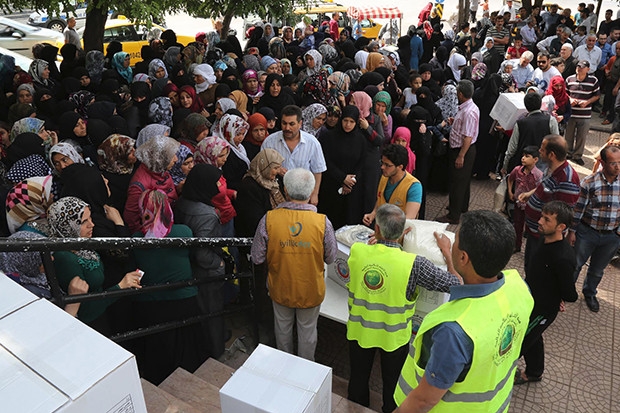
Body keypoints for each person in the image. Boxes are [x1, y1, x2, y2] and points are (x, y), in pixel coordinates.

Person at [393, 210, 534, 412]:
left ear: (464, 257)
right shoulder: (519, 287)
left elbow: (424, 400)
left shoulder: (452, 331)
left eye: (455, 240)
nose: (452, 242)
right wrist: (450, 258)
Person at [347, 204, 461, 413]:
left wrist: (381, 239)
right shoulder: (414, 264)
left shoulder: (357, 250)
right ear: (401, 233)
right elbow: (456, 283)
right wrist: (447, 253)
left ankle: (355, 407)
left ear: (377, 230)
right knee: (392, 384)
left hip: (360, 331)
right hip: (394, 337)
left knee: (358, 378)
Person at [251, 168, 337, 361]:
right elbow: (331, 258)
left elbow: (256, 257)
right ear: (311, 191)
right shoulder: (323, 223)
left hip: (280, 286)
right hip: (310, 289)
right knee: (308, 332)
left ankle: (284, 366)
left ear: (286, 191)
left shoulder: (269, 219)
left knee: (282, 329)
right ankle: (306, 370)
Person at [48, 196, 142, 332]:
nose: (91, 224)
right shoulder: (65, 257)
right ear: (67, 226)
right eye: (83, 221)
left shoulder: (82, 245)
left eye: (90, 218)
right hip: (89, 326)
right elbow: (84, 309)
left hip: (101, 318)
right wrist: (120, 286)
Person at [516, 201, 577, 384]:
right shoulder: (544, 239)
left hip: (541, 309)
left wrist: (558, 297)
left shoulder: (563, 257)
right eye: (542, 216)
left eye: (547, 219)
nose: (540, 221)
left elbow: (570, 294)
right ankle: (535, 372)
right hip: (530, 300)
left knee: (520, 340)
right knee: (534, 337)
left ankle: (507, 374)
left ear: (561, 227)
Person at [174, 164, 228, 358]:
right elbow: (203, 253)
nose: (219, 184)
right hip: (206, 272)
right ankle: (216, 350)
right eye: (215, 181)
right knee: (212, 312)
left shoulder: (182, 202)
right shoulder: (207, 214)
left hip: (189, 268)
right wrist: (219, 264)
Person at [568, 145, 620, 312]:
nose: (617, 167)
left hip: (611, 237)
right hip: (587, 233)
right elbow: (578, 209)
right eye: (613, 163)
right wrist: (572, 231)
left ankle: (589, 292)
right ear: (603, 163)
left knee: (597, 270)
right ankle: (567, 291)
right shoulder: (589, 183)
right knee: (576, 264)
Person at [521, 135, 580, 268]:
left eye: (542, 150)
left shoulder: (567, 179)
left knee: (535, 271)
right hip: (535, 232)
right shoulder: (551, 168)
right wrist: (530, 194)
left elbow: (563, 214)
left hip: (544, 238)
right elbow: (545, 187)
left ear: (551, 154)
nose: (540, 152)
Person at [261, 105, 327, 206]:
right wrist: (276, 170)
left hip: (303, 197)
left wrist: (315, 194)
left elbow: (317, 171)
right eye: (284, 123)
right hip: (276, 195)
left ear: (300, 123)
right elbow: (261, 167)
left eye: (291, 124)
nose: (287, 128)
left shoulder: (312, 143)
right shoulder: (270, 142)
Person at [437, 80, 479, 225]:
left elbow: (468, 137)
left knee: (457, 182)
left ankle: (453, 215)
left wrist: (461, 155)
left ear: (460, 94)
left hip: (462, 150)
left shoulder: (468, 112)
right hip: (462, 148)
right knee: (463, 180)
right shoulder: (468, 108)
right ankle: (461, 206)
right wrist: (455, 122)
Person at [363, 144, 422, 226]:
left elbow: (409, 219)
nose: (382, 167)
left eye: (387, 165)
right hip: (381, 228)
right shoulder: (384, 177)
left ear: (400, 167)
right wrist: (373, 213)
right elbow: (380, 199)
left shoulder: (414, 186)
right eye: (382, 163)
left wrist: (387, 236)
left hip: (399, 233)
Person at [502, 92, 559, 174]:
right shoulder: (551, 120)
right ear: (540, 104)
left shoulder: (520, 123)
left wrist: (505, 166)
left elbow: (512, 149)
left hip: (523, 166)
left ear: (526, 106)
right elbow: (556, 144)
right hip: (543, 165)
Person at [507, 146, 543, 253]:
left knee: (532, 228)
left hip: (531, 205)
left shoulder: (538, 175)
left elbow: (540, 188)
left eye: (527, 156)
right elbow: (510, 179)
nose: (523, 158)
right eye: (523, 156)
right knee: (517, 224)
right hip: (519, 204)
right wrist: (510, 191)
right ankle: (517, 245)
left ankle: (531, 249)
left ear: (535, 160)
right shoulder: (517, 170)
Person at [565, 60, 600, 166]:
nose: (579, 68)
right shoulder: (569, 79)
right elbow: (565, 93)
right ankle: (568, 153)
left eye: (582, 67)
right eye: (578, 66)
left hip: (585, 114)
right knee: (568, 135)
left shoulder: (593, 80)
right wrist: (570, 99)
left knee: (582, 136)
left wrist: (587, 102)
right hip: (571, 113)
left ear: (588, 69)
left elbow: (597, 95)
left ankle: (577, 155)